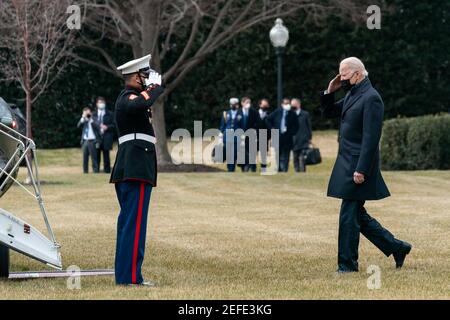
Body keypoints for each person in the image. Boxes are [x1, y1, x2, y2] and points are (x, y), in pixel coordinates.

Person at [321, 57, 412, 273]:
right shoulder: (353, 93)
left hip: (359, 165)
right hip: (346, 162)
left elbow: (371, 138)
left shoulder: (371, 98)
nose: (340, 78)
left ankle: (347, 266)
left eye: (344, 75)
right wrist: (329, 91)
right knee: (356, 215)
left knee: (348, 215)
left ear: (358, 74)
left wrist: (361, 169)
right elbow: (329, 112)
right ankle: (397, 247)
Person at [110, 54, 164, 286]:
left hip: (133, 167)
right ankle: (131, 278)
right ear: (134, 77)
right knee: (133, 224)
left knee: (130, 224)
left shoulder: (131, 99)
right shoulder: (127, 98)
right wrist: (154, 88)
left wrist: (150, 89)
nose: (148, 79)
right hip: (135, 168)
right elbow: (140, 102)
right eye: (145, 75)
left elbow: (142, 104)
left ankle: (126, 276)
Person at [266, 98, 298, 172]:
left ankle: (285, 170)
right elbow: (268, 119)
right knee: (277, 154)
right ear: (282, 104)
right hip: (278, 136)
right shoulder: (278, 111)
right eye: (286, 103)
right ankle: (278, 169)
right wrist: (272, 128)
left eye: (288, 103)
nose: (287, 105)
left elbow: (296, 125)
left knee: (286, 154)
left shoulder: (292, 113)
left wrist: (292, 133)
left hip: (287, 137)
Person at [220, 98, 243, 172]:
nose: (233, 105)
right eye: (232, 104)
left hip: (237, 137)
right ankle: (230, 169)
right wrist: (220, 137)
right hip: (227, 137)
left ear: (237, 105)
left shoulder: (241, 114)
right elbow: (222, 126)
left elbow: (242, 126)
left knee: (235, 153)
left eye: (235, 104)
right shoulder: (226, 113)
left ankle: (232, 168)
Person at [93, 97, 115, 173]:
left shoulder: (110, 114)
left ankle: (107, 170)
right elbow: (92, 126)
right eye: (99, 102)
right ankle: (96, 170)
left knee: (106, 155)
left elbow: (114, 125)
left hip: (106, 137)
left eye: (102, 102)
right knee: (96, 155)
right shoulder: (94, 114)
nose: (101, 104)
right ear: (96, 104)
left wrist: (107, 127)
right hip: (97, 137)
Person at [291, 98, 312, 173]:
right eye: (291, 104)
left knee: (302, 158)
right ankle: (297, 172)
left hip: (303, 139)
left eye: (294, 104)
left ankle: (303, 172)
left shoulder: (305, 114)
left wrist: (310, 138)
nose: (292, 106)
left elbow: (309, 126)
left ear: (298, 104)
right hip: (294, 140)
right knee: (295, 158)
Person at [77, 107, 100, 174]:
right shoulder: (83, 120)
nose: (87, 114)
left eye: (88, 112)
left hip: (92, 141)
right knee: (85, 157)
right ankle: (85, 171)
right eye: (86, 112)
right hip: (85, 141)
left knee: (94, 157)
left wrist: (90, 120)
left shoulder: (94, 119)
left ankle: (95, 171)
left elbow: (97, 127)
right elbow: (78, 126)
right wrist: (83, 118)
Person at [239, 97, 260, 172]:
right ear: (242, 103)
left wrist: (254, 129)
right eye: (246, 102)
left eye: (249, 102)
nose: (248, 104)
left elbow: (258, 123)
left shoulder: (254, 112)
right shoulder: (238, 112)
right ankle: (244, 168)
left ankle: (253, 169)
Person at [257, 99, 271, 172]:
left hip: (264, 137)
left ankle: (263, 169)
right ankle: (252, 169)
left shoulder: (269, 114)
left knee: (263, 155)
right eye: (264, 105)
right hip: (255, 137)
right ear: (260, 105)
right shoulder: (255, 114)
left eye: (266, 105)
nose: (265, 106)